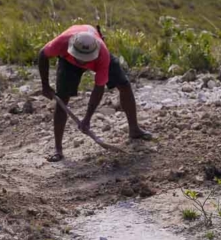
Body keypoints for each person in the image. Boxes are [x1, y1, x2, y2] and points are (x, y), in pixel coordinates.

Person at [38, 24, 152, 162]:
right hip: (68, 62)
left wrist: (87, 119)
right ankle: (58, 149)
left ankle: (134, 130)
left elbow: (99, 88)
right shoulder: (62, 42)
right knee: (62, 97)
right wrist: (45, 85)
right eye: (79, 58)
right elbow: (43, 54)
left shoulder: (102, 55)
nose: (82, 62)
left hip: (98, 58)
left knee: (124, 85)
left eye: (85, 59)